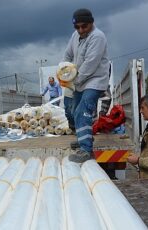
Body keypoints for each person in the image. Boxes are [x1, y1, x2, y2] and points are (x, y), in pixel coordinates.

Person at [62, 8, 110, 163]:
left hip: (94, 80)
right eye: (77, 27)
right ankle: (84, 139)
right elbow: (68, 55)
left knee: (83, 110)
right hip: (79, 81)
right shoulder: (75, 36)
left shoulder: (98, 37)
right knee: (75, 111)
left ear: (92, 23)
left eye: (84, 26)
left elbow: (90, 64)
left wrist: (73, 80)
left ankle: (86, 150)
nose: (81, 30)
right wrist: (64, 70)